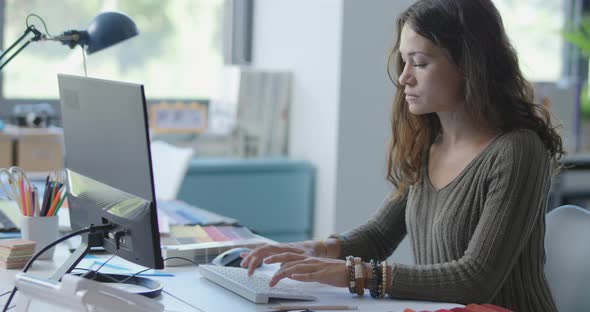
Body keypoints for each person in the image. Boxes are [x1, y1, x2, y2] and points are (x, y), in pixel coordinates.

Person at [240, 0, 563, 311]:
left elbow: (474, 280)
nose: (405, 77)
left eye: (420, 63)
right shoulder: (429, 145)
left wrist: (354, 274)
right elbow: (379, 236)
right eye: (404, 62)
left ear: (469, 65)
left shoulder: (518, 151)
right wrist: (317, 249)